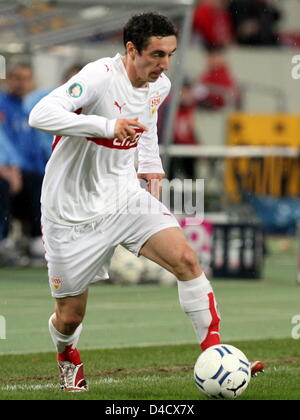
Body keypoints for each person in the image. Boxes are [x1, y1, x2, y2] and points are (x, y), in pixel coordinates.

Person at [29, 12, 263, 392]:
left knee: (186, 260)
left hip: (124, 197)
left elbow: (148, 122)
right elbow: (40, 115)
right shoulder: (100, 76)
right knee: (69, 317)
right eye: (156, 54)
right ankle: (67, 355)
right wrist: (106, 126)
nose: (164, 64)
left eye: (169, 54)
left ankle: (216, 353)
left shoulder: (160, 85)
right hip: (70, 211)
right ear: (131, 49)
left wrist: (151, 166)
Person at [0, 63, 46, 260]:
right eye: (17, 77)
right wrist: (11, 167)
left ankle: (39, 240)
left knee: (44, 181)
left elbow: (40, 146)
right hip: (8, 168)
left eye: (26, 78)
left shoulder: (32, 108)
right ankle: (5, 241)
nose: (21, 83)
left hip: (28, 170)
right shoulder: (1, 104)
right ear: (8, 79)